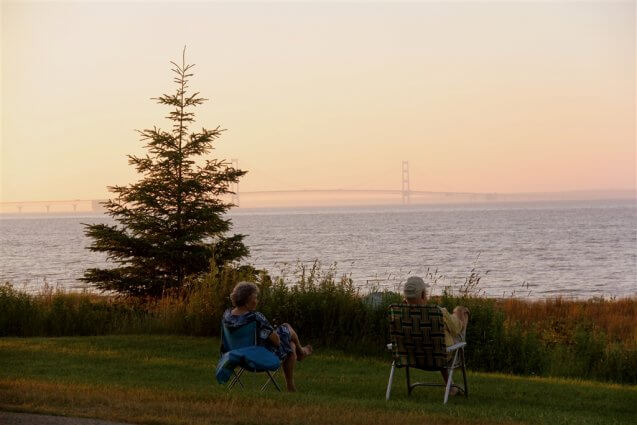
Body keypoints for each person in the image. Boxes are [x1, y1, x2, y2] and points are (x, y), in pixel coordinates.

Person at [222, 281, 312, 392]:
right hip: (257, 358)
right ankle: (300, 354)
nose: (257, 301)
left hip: (235, 357)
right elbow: (277, 341)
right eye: (255, 298)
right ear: (247, 301)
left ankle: (300, 353)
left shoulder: (227, 316)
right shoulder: (255, 318)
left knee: (288, 340)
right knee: (288, 337)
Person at [402, 276, 470, 395]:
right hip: (440, 356)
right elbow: (456, 329)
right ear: (423, 295)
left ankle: (451, 387)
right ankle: (451, 387)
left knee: (437, 342)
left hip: (411, 356)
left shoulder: (400, 314)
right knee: (461, 315)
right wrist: (462, 319)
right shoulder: (439, 312)